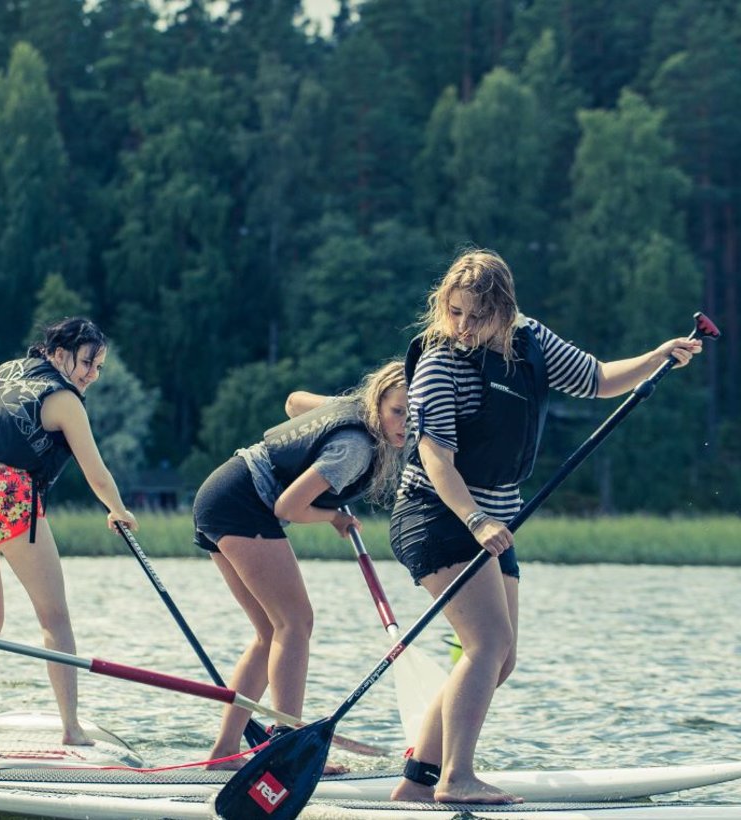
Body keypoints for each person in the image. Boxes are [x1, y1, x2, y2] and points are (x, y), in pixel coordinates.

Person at [388, 250, 699, 805]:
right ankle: (456, 778)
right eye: (453, 312)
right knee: (487, 644)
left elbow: (600, 379)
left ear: (504, 312)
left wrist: (657, 357)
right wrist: (477, 519)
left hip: (493, 521)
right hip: (437, 514)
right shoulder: (439, 362)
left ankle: (417, 782)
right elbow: (436, 457)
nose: (461, 327)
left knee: (499, 658)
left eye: (475, 317)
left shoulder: (532, 341)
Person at [192, 361, 408, 770]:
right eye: (398, 412)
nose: (404, 425)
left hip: (219, 493)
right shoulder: (356, 448)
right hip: (241, 501)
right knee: (295, 623)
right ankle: (285, 748)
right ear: (378, 402)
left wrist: (320, 438)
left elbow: (294, 403)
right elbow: (287, 506)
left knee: (269, 632)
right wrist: (335, 516)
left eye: (415, 418)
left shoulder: (352, 408)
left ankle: (222, 754)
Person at [0, 317, 138, 747]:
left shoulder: (3, 369)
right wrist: (119, 510)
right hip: (7, 494)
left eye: (99, 367)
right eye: (87, 362)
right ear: (57, 353)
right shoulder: (64, 398)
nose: (92, 374)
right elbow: (96, 472)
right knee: (55, 618)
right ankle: (71, 729)